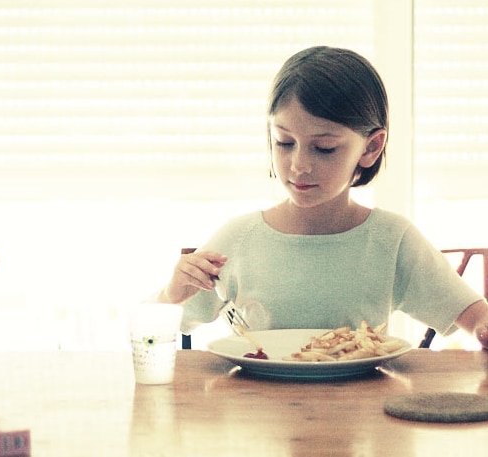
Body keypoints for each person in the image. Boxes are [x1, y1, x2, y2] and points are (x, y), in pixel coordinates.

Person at [157, 46, 488, 349]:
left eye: (325, 147)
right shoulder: (238, 239)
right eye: (284, 142)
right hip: (255, 410)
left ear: (371, 147)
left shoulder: (391, 240)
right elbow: (148, 337)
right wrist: (171, 296)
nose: (299, 165)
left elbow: (474, 317)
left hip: (361, 410)